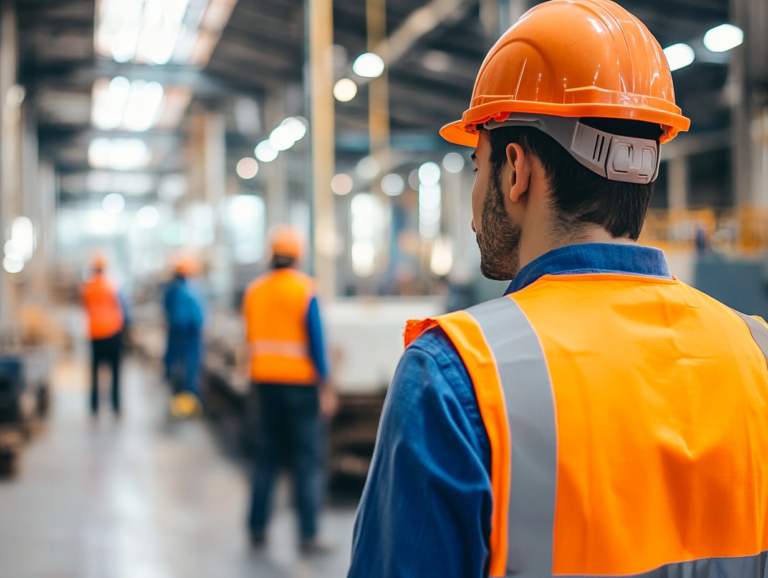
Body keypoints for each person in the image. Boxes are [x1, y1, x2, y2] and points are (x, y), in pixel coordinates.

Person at [348, 1, 768, 577]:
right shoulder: (756, 354)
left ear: (516, 169)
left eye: (477, 167)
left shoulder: (459, 376)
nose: (476, 199)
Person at [243, 224, 336, 554]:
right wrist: (326, 387)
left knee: (266, 456)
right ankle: (308, 534)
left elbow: (251, 338)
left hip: (264, 383)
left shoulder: (254, 290)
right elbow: (318, 344)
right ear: (299, 256)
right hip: (300, 386)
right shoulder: (305, 289)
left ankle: (256, 527)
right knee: (308, 460)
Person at [81, 252, 125, 415]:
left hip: (95, 334)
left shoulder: (87, 287)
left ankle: (94, 406)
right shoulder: (112, 285)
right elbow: (123, 308)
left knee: (94, 372)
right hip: (113, 332)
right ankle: (116, 405)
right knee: (115, 372)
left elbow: (85, 307)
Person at [163, 255, 206, 406]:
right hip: (190, 336)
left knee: (177, 366)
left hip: (177, 335)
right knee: (190, 368)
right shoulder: (191, 290)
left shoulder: (171, 290)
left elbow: (167, 312)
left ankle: (180, 397)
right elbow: (199, 317)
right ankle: (189, 399)